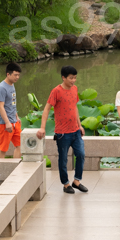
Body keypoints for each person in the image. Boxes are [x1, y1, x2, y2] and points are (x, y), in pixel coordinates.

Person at [39, 66, 88, 194]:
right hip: (62, 133)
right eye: (71, 78)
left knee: (81, 154)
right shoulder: (56, 91)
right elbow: (46, 109)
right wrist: (42, 127)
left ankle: (76, 181)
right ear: (63, 77)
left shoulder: (75, 89)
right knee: (63, 159)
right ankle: (66, 184)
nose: (73, 81)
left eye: (75, 78)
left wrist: (80, 125)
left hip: (75, 131)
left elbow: (75, 107)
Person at [0, 62, 23, 159]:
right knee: (3, 149)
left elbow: (11, 103)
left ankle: (16, 167)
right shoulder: (2, 88)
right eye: (15, 75)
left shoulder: (12, 85)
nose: (17, 77)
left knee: (20, 145)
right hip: (5, 123)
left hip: (14, 122)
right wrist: (7, 122)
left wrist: (16, 116)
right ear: (8, 74)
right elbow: (1, 107)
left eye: (18, 75)